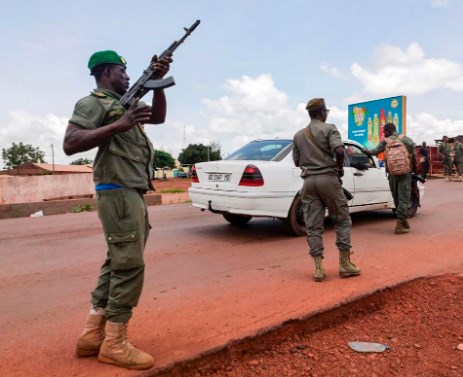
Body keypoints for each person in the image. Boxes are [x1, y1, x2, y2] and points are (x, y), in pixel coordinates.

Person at [63, 50, 173, 370]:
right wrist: (120, 124)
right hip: (118, 191)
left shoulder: (125, 102)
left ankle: (92, 335)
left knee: (117, 261)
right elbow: (71, 143)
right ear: (107, 72)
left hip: (130, 191)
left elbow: (159, 118)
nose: (127, 76)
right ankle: (114, 343)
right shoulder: (93, 103)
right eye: (122, 71)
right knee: (130, 265)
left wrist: (158, 84)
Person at [292, 98, 360, 282]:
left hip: (308, 183)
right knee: (342, 219)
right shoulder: (330, 128)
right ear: (322, 113)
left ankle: (318, 269)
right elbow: (339, 151)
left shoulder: (298, 135)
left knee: (313, 225)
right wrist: (339, 168)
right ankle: (345, 265)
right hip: (328, 180)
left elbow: (296, 162)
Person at [363, 123, 417, 234]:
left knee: (396, 198)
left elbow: (374, 151)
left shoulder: (385, 141)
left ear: (388, 130)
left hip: (392, 174)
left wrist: (364, 150)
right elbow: (413, 157)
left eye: (384, 131)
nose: (383, 133)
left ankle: (402, 222)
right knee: (404, 198)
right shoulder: (407, 140)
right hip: (405, 173)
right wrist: (415, 172)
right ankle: (401, 224)